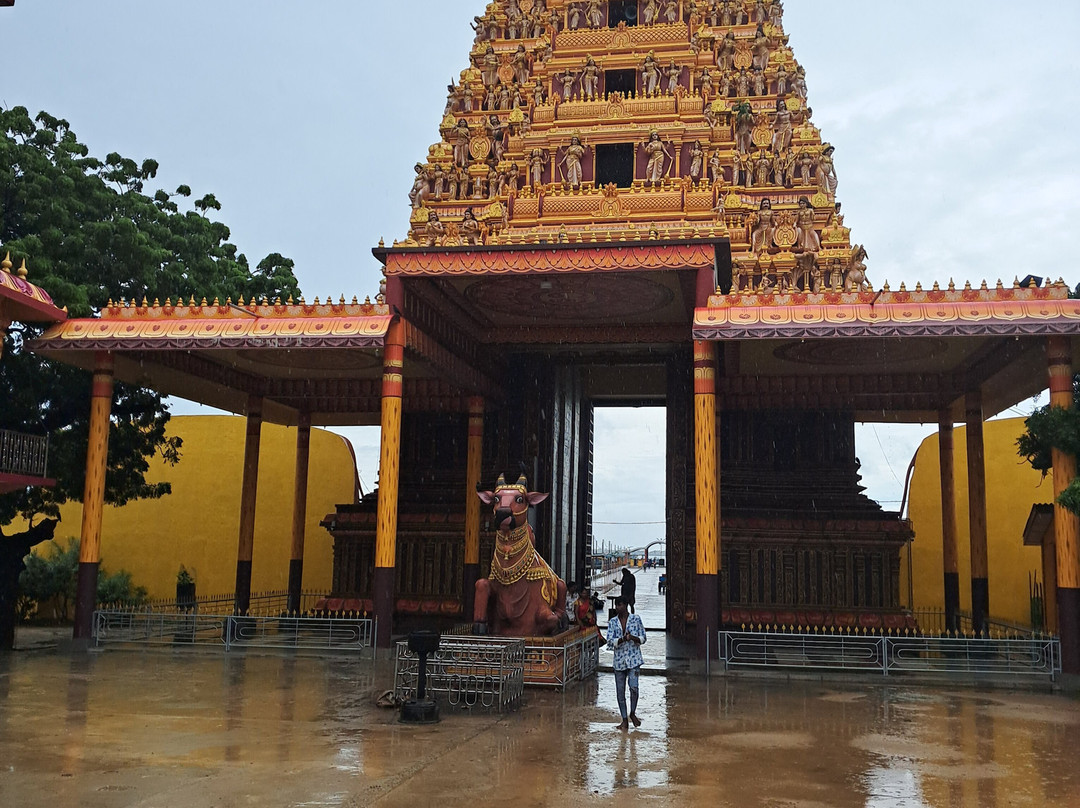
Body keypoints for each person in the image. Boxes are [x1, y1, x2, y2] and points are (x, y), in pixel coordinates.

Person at [606, 596, 646, 730]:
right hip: (619, 661)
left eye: (620, 605)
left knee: (634, 687)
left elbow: (643, 638)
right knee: (620, 691)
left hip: (634, 659)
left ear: (626, 605)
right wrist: (623, 639)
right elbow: (610, 641)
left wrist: (632, 638)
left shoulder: (636, 619)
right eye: (616, 605)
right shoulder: (612, 622)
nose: (618, 608)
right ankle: (624, 719)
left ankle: (633, 712)